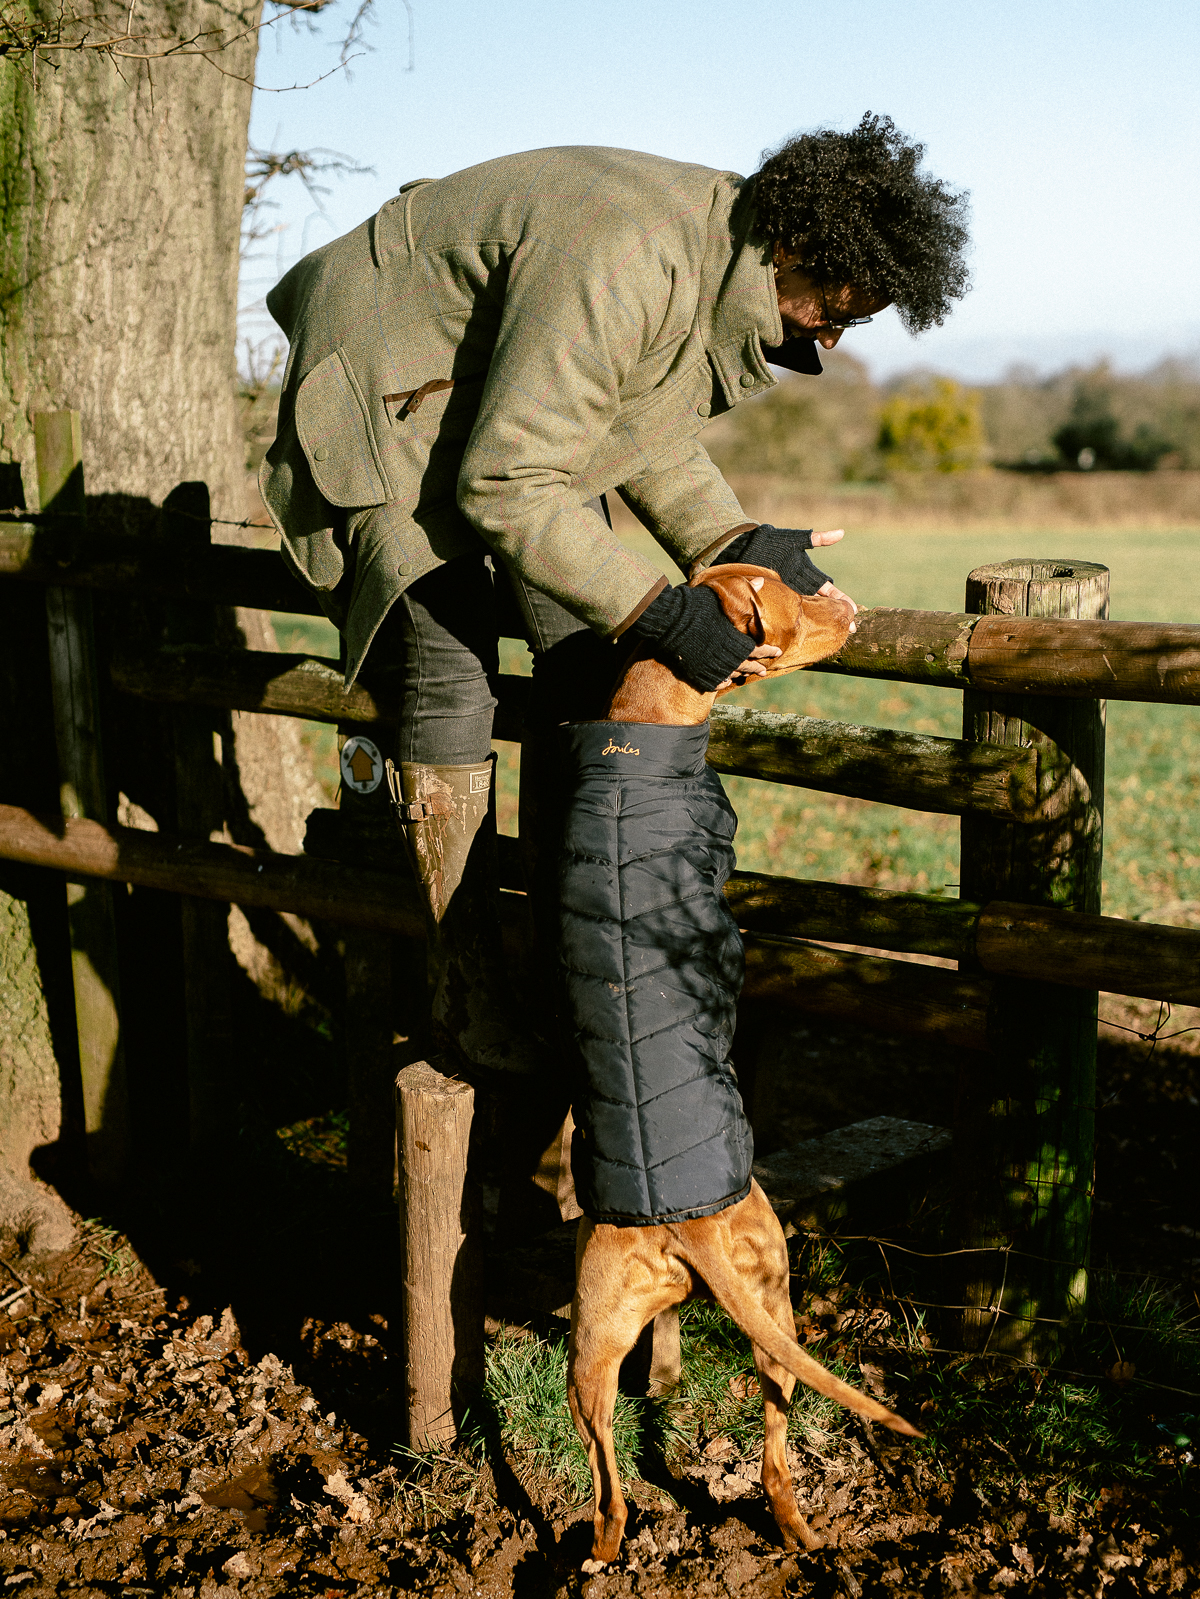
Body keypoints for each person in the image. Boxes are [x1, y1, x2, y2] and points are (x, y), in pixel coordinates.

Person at [259, 112, 970, 1135]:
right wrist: (670, 612)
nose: (834, 337)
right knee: (448, 658)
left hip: (481, 403)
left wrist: (737, 538)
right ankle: (464, 988)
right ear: (806, 248)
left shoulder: (718, 244)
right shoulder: (632, 254)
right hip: (384, 379)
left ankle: (573, 949)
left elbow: (638, 426)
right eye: (838, 312)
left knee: (586, 653)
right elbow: (508, 484)